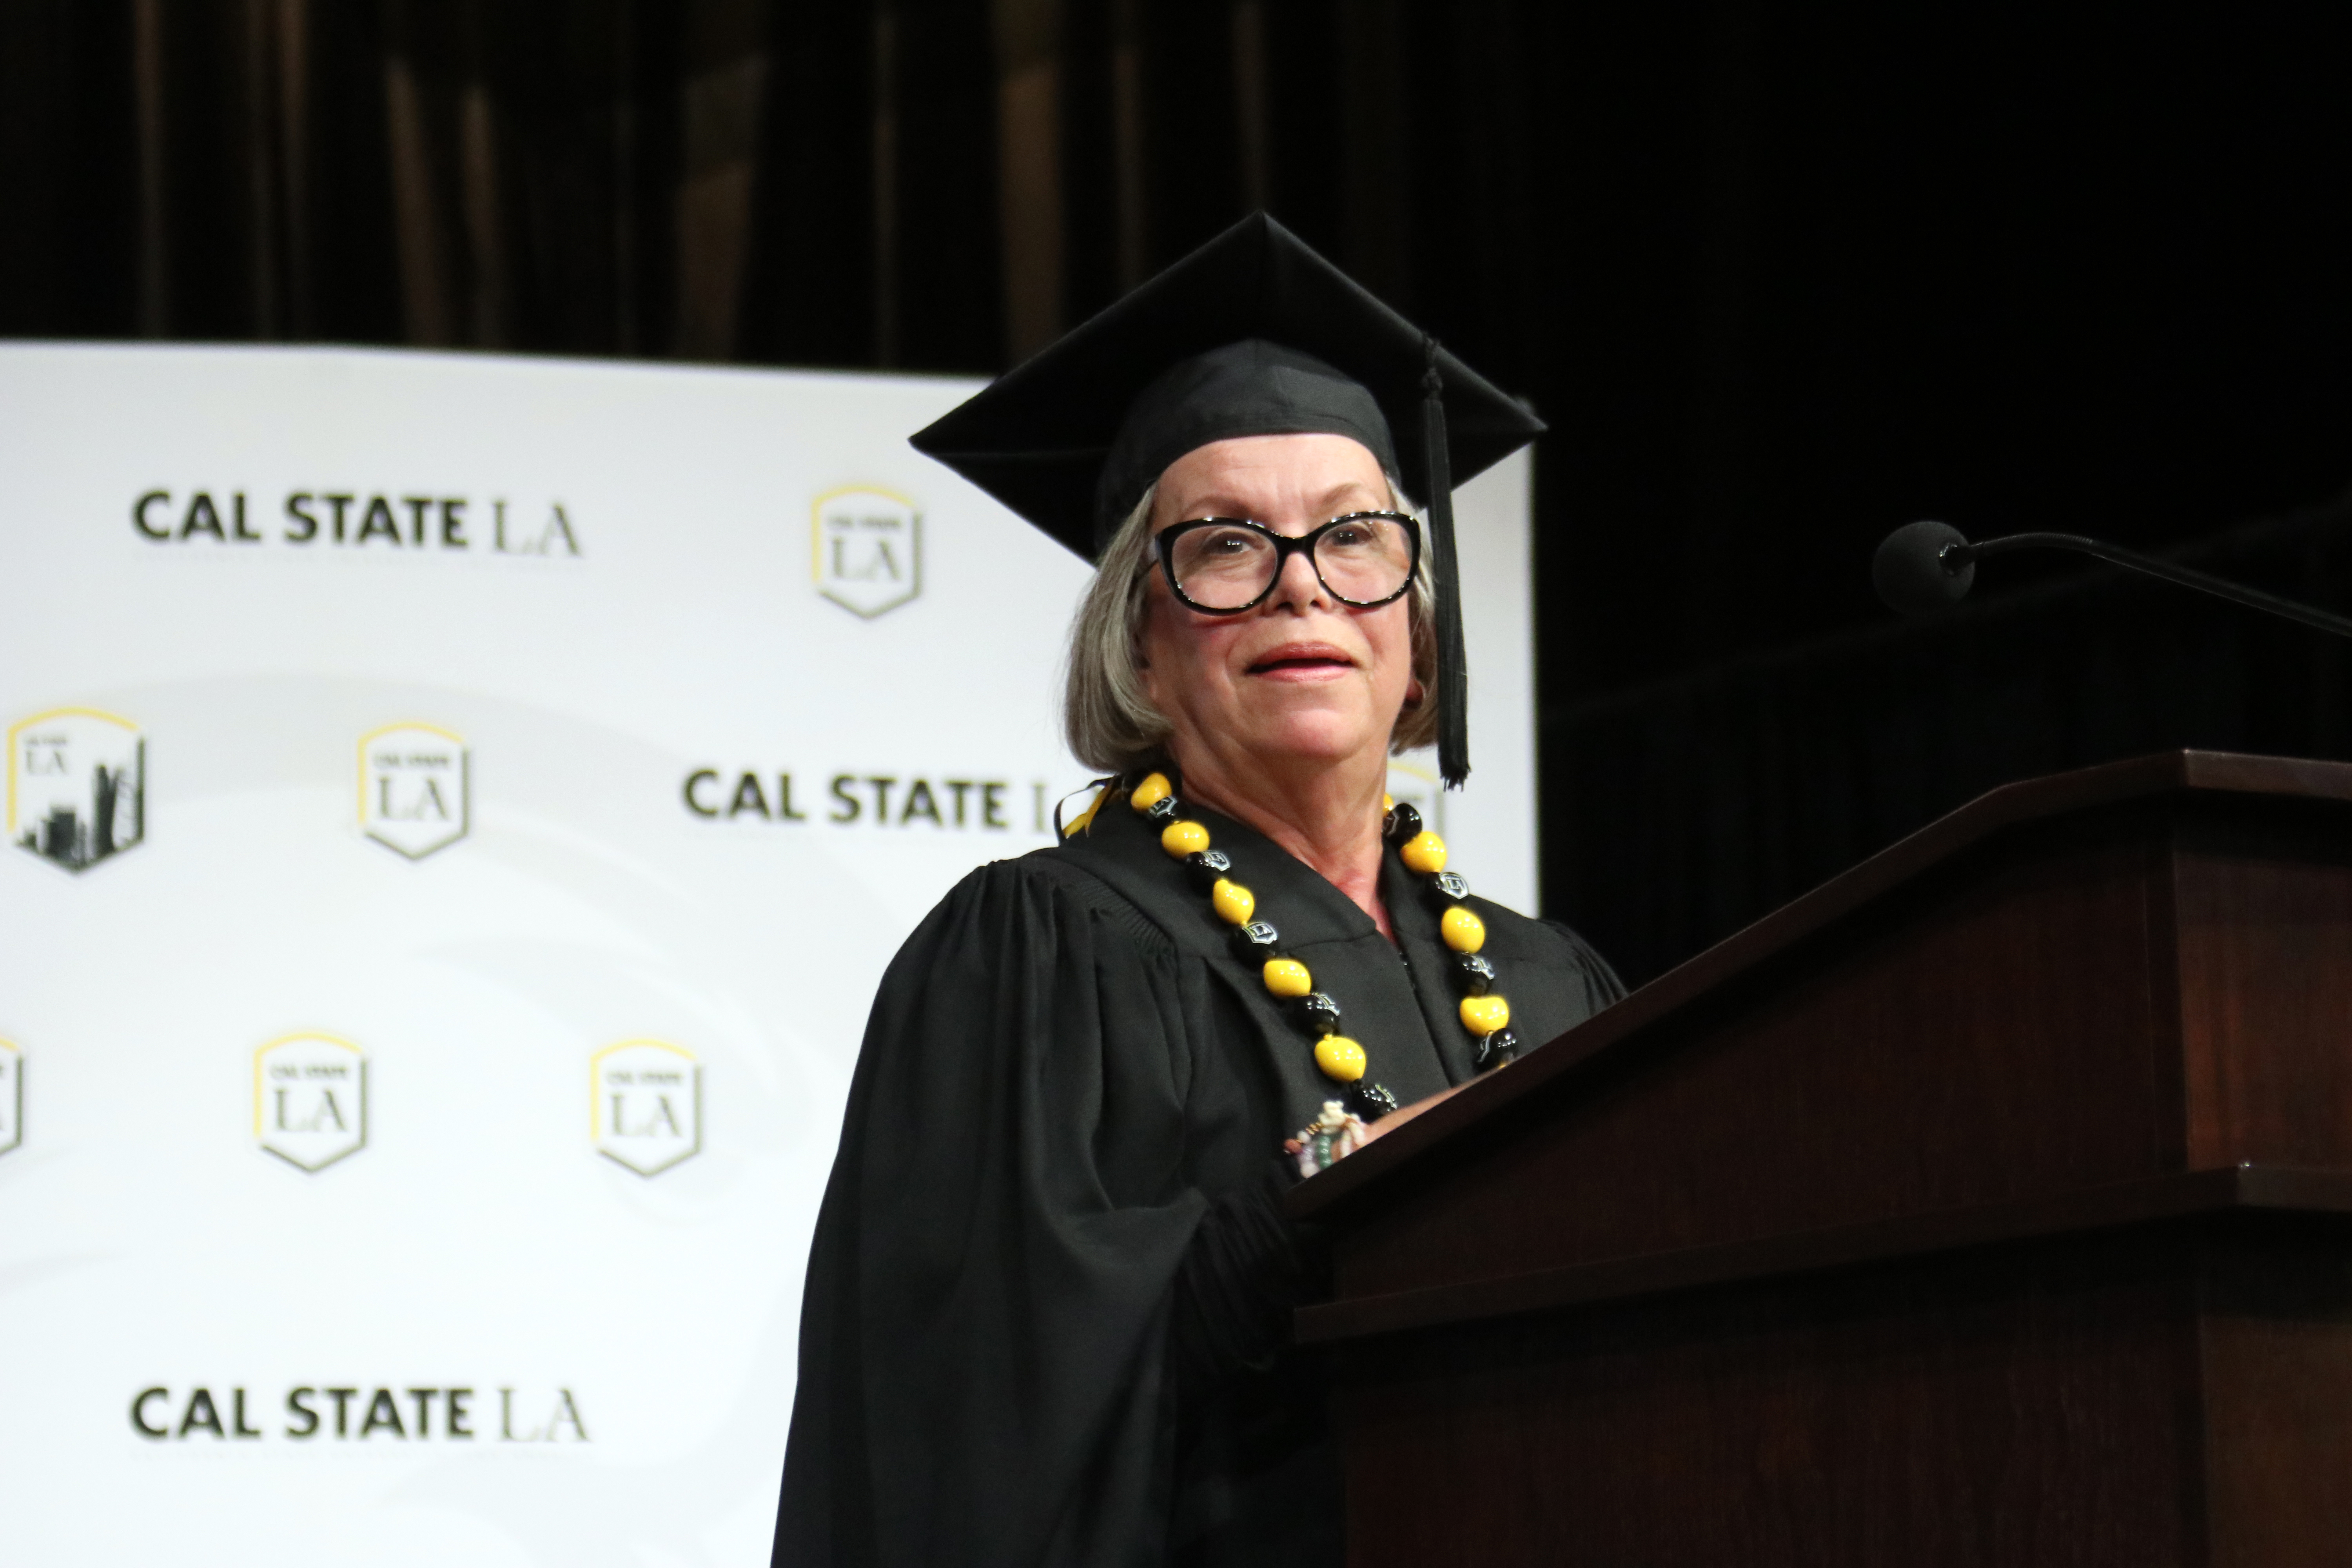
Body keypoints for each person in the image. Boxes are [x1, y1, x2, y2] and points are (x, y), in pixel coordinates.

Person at [772, 214, 1622, 1568]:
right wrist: (1330, 1214)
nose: (1304, 587)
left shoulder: (1549, 982)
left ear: (1415, 641)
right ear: (1143, 651)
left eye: (1355, 540)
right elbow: (973, 1413)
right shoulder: (1037, 956)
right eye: (1224, 546)